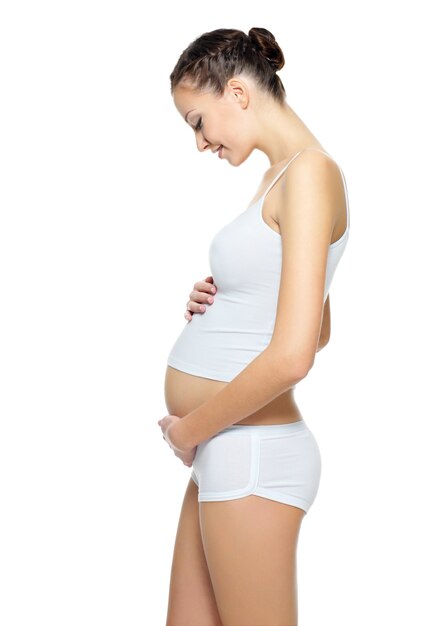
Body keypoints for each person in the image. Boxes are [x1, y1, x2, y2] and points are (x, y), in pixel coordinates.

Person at [158, 27, 350, 626]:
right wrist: (228, 299)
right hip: (229, 448)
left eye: (196, 121)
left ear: (237, 94)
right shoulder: (281, 176)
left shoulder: (311, 173)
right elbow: (315, 329)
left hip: (252, 454)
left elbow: (295, 357)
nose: (199, 142)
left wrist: (189, 430)